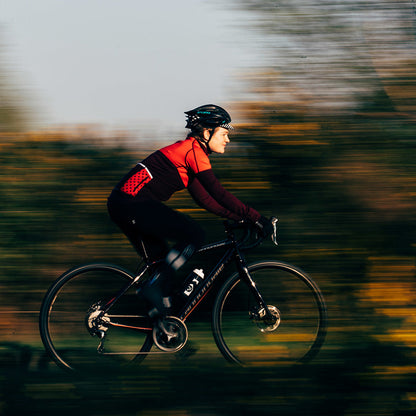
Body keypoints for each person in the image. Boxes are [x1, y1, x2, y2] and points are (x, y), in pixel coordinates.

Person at [107, 104, 273, 330]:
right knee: (194, 234)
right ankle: (153, 291)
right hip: (132, 204)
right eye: (224, 134)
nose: (227, 140)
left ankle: (164, 329)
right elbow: (218, 193)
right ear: (207, 133)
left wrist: (240, 218)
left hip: (125, 204)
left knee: (162, 264)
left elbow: (206, 200)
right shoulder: (193, 151)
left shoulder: (188, 152)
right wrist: (256, 218)